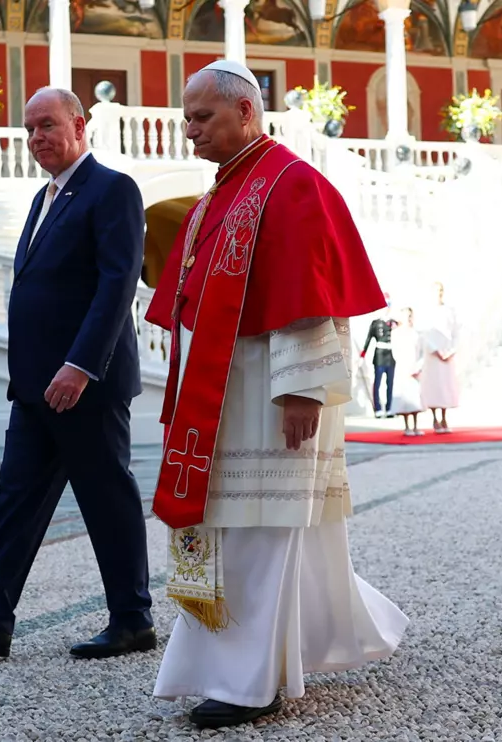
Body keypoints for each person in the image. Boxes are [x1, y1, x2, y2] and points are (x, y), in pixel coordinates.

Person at [144, 61, 408, 729]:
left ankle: (247, 683)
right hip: (221, 400)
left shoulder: (290, 185)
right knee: (257, 534)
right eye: (186, 116)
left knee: (262, 533)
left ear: (245, 113)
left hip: (268, 396)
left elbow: (311, 293)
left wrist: (302, 389)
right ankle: (306, 644)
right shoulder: (219, 194)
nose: (189, 130)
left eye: (202, 117)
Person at [0, 86, 153, 661]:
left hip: (83, 383)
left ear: (78, 124)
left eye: (47, 125)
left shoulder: (112, 189)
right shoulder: (42, 198)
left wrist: (81, 365)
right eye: (28, 129)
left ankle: (133, 618)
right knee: (15, 498)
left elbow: (117, 284)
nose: (36, 138)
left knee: (105, 498)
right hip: (36, 386)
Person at [419, 282, 459, 433]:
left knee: (445, 386)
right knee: (434, 385)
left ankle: (444, 416)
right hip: (433, 355)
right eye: (437, 291)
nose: (439, 293)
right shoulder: (427, 311)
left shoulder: (449, 310)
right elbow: (424, 334)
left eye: (441, 290)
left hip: (446, 353)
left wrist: (451, 350)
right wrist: (436, 351)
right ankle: (435, 417)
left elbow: (455, 332)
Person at [388, 308, 425, 436]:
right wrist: (405, 367)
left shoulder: (416, 333)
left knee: (414, 398)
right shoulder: (395, 333)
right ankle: (406, 426)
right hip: (402, 368)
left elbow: (421, 352)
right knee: (404, 398)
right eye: (406, 316)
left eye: (410, 316)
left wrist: (417, 367)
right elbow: (395, 352)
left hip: (414, 369)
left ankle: (415, 426)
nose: (408, 318)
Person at [360, 311, 397, 419]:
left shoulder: (393, 322)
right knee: (377, 382)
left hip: (391, 355)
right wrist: (362, 355)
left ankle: (390, 407)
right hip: (380, 355)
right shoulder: (375, 323)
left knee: (390, 383)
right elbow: (368, 339)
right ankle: (378, 409)